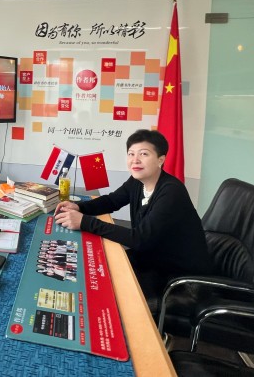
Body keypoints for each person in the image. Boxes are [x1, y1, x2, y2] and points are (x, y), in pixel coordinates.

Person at [54, 129, 212, 312]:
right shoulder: (138, 181)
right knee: (95, 270)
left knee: (107, 298)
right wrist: (79, 207)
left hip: (181, 282)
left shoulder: (171, 192)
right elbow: (112, 201)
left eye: (144, 154)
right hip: (154, 261)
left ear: (160, 159)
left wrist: (84, 222)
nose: (135, 160)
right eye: (131, 154)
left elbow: (139, 239)